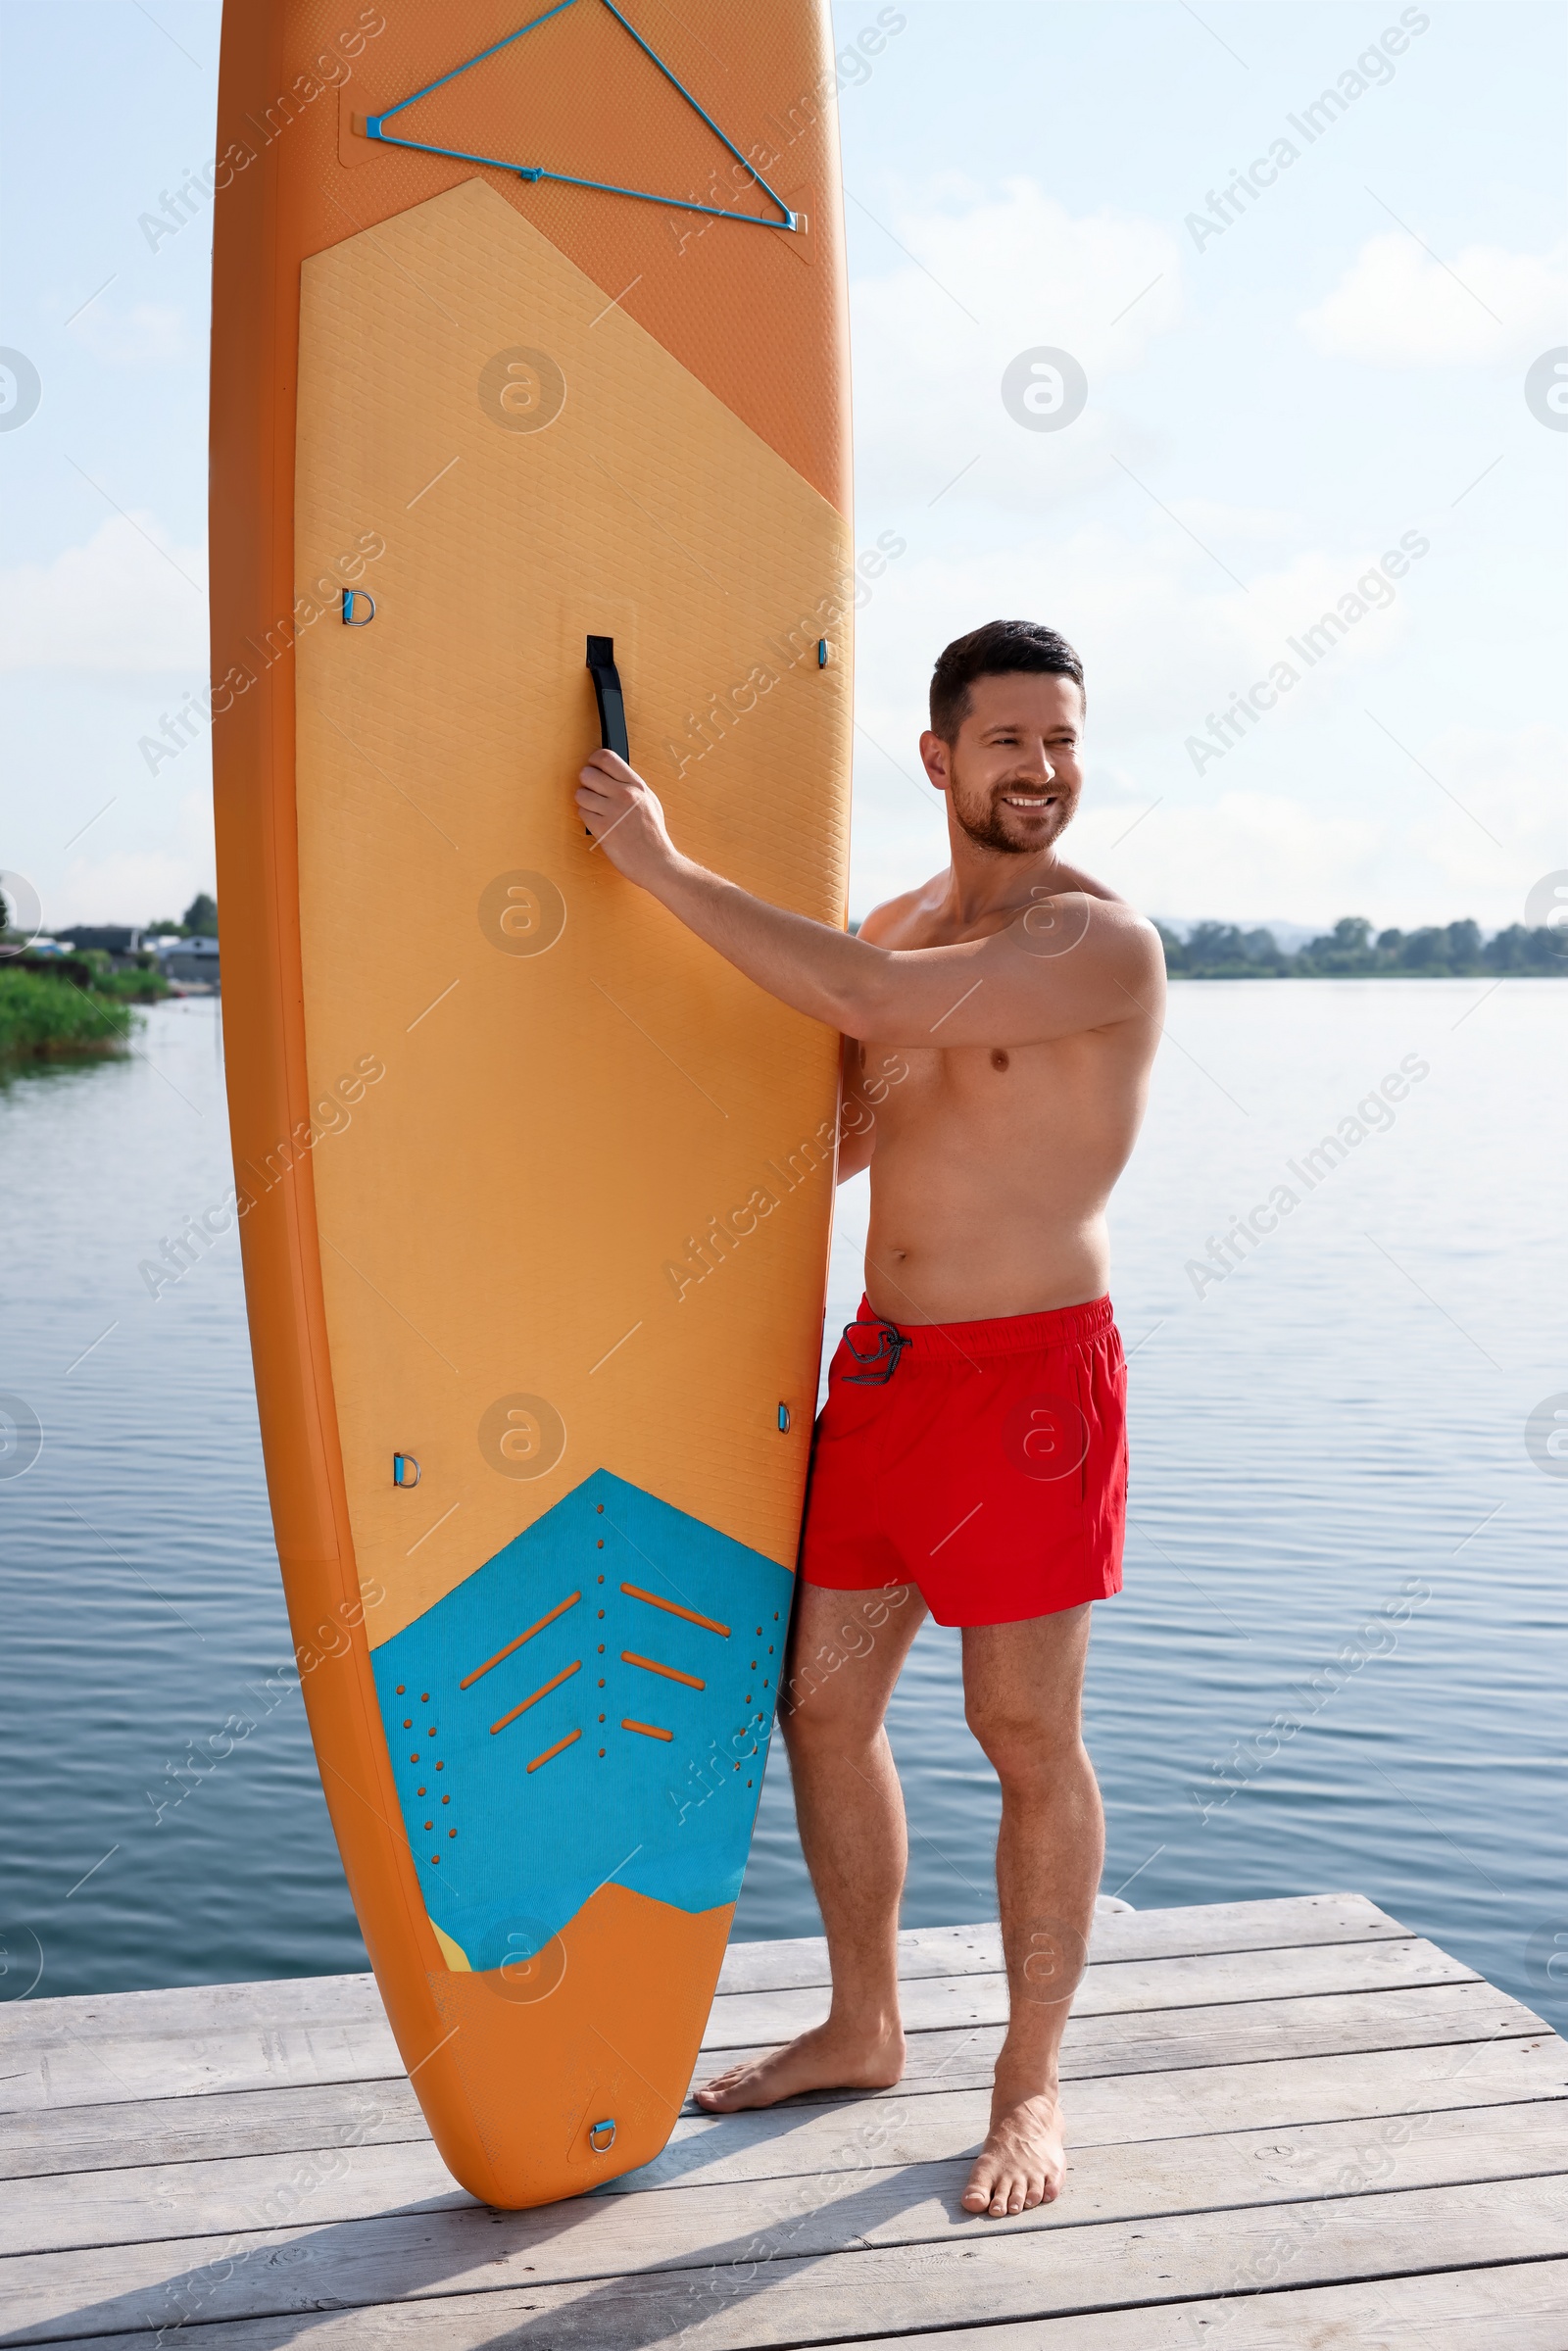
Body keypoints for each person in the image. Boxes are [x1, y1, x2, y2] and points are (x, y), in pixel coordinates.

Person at [575, 617, 1163, 2219]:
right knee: (822, 1712)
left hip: (1033, 1391)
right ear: (938, 757)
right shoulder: (907, 921)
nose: (1042, 772)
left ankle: (1029, 2090)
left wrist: (660, 863)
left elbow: (855, 994)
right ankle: (865, 2021)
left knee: (1022, 1735)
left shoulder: (1096, 946)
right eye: (1008, 742)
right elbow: (826, 1134)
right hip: (888, 1380)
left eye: (1062, 740)